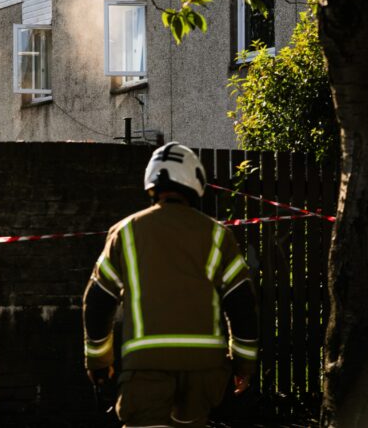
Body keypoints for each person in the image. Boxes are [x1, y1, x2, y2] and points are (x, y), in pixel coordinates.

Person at [83, 142, 259, 427]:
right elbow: (242, 305)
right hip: (204, 370)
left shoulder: (125, 233)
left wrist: (99, 364)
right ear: (196, 182)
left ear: (151, 182)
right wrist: (243, 365)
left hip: (145, 368)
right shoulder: (218, 236)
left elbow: (98, 301)